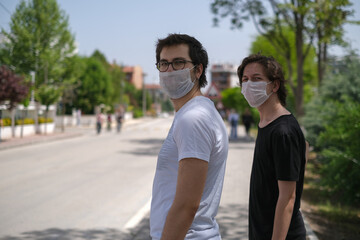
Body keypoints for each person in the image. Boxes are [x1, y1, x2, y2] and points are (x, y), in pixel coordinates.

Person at [150, 33, 228, 240]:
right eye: (163, 64)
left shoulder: (193, 118)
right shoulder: (195, 112)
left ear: (198, 70)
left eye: (178, 63)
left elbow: (187, 206)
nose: (169, 70)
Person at [237, 54, 308, 239]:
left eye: (257, 79)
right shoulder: (266, 124)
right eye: (245, 80)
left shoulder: (283, 131)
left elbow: (288, 198)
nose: (249, 85)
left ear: (274, 85)